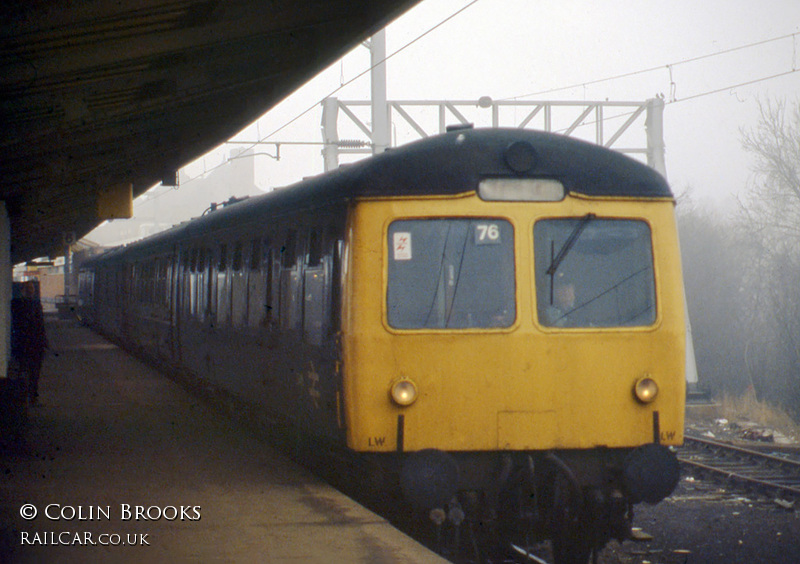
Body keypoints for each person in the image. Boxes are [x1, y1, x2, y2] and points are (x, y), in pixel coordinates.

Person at [11, 280, 48, 405]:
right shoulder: (34, 305)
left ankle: (24, 397)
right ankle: (31, 397)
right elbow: (40, 325)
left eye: (31, 289)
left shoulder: (16, 304)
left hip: (25, 344)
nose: (31, 292)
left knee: (25, 371)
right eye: (30, 289)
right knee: (33, 372)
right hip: (33, 344)